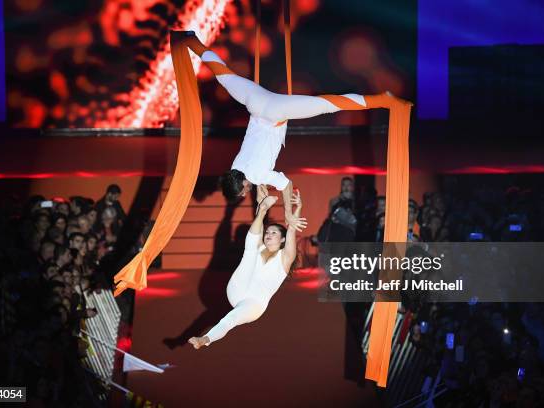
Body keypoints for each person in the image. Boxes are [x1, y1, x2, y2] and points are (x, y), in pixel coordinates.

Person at [171, 31, 407, 232]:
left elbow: (284, 184)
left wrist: (288, 214)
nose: (244, 195)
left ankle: (382, 99)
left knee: (327, 104)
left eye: (242, 193)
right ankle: (191, 41)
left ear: (242, 186)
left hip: (274, 112)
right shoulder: (237, 167)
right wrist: (261, 190)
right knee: (224, 75)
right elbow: (256, 173)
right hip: (255, 103)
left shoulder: (256, 175)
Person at [188, 185, 306, 348]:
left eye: (274, 233)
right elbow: (256, 235)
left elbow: (292, 230)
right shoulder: (259, 246)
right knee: (251, 248)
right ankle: (262, 209)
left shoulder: (284, 259)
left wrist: (297, 208)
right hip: (237, 288)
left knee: (231, 318)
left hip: (254, 302)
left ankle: (205, 339)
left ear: (283, 240)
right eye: (267, 232)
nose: (269, 235)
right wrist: (261, 207)